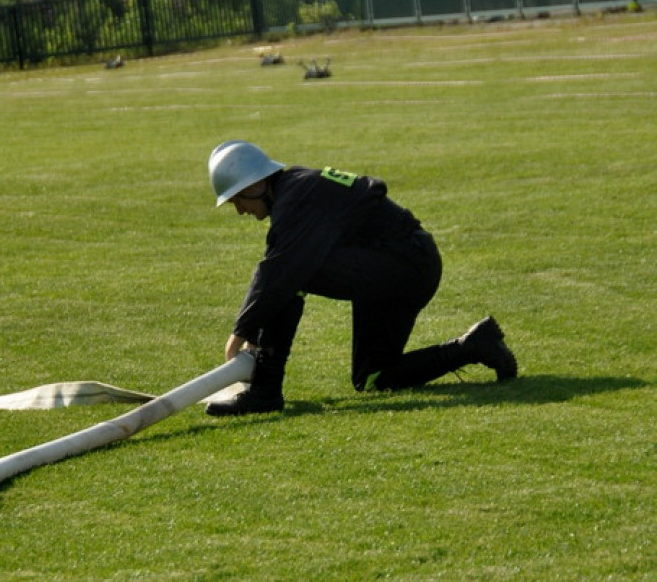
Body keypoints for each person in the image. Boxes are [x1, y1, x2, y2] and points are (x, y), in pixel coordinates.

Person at [204, 141, 517, 417]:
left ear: (255, 185)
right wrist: (251, 332)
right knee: (372, 377)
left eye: (237, 200)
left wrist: (238, 336)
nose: (240, 210)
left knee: (294, 272)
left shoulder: (297, 195)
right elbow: (275, 269)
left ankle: (265, 392)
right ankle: (473, 346)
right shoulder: (295, 192)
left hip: (406, 263)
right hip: (402, 266)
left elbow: (277, 272)